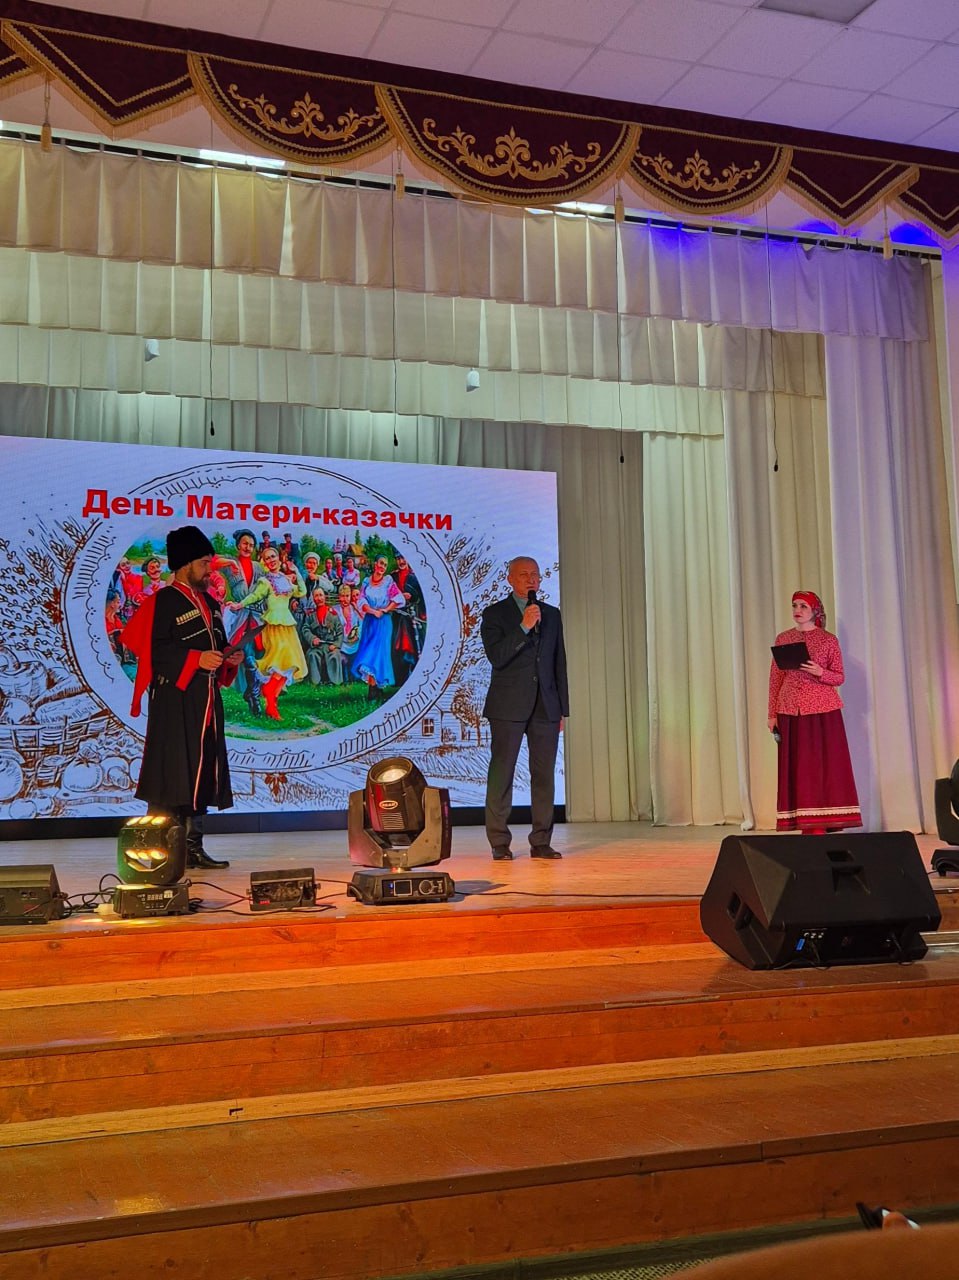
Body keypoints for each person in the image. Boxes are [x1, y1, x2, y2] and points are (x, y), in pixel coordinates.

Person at [120, 526, 241, 870]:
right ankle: (161, 851)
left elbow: (218, 644)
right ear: (185, 563)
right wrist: (195, 660)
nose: (209, 570)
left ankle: (192, 847)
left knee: (201, 769)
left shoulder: (211, 603)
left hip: (206, 702)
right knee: (172, 772)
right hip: (175, 701)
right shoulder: (161, 602)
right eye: (204, 563)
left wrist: (229, 658)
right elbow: (153, 652)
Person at [481, 556, 568, 861]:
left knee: (544, 776)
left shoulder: (552, 615)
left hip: (546, 706)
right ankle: (499, 842)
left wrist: (562, 709)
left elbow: (559, 663)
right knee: (502, 774)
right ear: (510, 579)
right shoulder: (494, 614)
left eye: (535, 575)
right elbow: (497, 657)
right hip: (507, 706)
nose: (531, 579)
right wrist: (523, 627)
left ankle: (541, 841)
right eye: (523, 575)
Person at [768, 589, 861, 834]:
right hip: (790, 709)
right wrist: (772, 713)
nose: (797, 610)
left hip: (822, 711)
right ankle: (803, 820)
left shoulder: (828, 640)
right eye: (795, 605)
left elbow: (839, 677)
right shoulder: (784, 638)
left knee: (822, 765)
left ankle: (826, 819)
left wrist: (819, 672)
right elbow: (776, 678)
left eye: (803, 606)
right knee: (797, 766)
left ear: (814, 611)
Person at [226, 545, 307, 720]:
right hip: (273, 626)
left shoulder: (285, 579)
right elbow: (254, 596)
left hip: (287, 626)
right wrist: (239, 605)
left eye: (273, 556)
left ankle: (271, 703)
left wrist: (296, 572)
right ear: (264, 562)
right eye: (267, 558)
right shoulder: (265, 581)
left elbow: (302, 591)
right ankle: (268, 694)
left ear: (279, 558)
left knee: (291, 664)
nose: (271, 560)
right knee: (278, 661)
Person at [215, 528, 266, 716]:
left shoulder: (258, 567)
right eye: (245, 543)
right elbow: (212, 563)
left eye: (251, 545)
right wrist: (230, 562)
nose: (248, 547)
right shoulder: (230, 562)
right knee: (244, 656)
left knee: (257, 655)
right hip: (239, 617)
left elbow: (266, 588)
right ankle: (253, 697)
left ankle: (252, 693)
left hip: (256, 616)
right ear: (238, 545)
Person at [352, 554, 404, 695]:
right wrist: (372, 611)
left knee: (377, 655)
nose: (382, 567)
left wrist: (385, 609)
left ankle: (374, 690)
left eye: (385, 565)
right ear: (375, 564)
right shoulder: (366, 581)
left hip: (383, 622)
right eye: (381, 563)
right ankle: (374, 688)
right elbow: (361, 601)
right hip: (370, 621)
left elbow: (398, 599)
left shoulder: (388, 581)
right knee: (367, 653)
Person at [297, 588, 345, 686]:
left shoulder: (333, 614)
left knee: (334, 655)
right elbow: (305, 629)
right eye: (316, 596)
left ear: (325, 597)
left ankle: (334, 682)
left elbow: (340, 632)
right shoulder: (310, 615)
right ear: (313, 599)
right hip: (316, 646)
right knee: (312, 655)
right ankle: (315, 682)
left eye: (321, 595)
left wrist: (336, 645)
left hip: (330, 645)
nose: (319, 598)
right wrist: (312, 639)